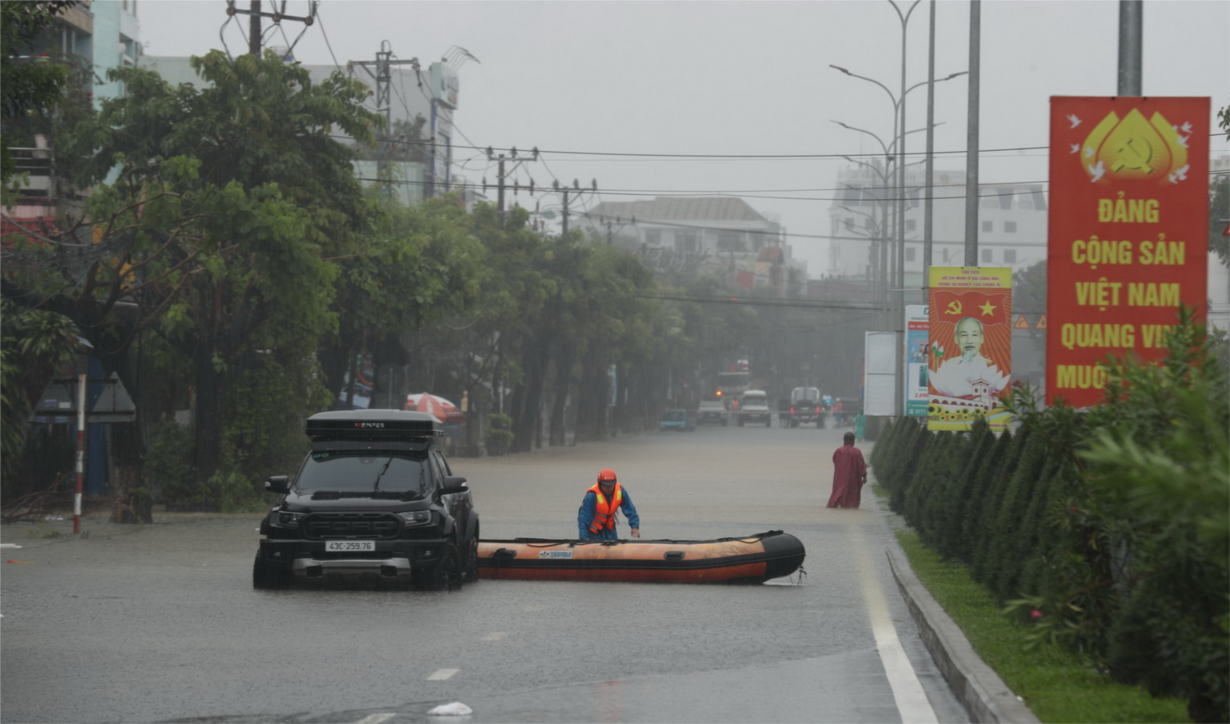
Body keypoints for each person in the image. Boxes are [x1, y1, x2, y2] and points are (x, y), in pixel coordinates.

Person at [929, 316, 1009, 398]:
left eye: (974, 335)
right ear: (956, 338)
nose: (969, 341)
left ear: (981, 338)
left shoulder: (989, 365)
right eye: (964, 335)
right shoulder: (950, 364)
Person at [578, 468, 641, 540]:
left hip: (610, 530)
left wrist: (634, 526)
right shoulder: (592, 495)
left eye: (611, 485)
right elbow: (584, 518)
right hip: (594, 532)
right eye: (606, 486)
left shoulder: (620, 491)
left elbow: (630, 509)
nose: (609, 488)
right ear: (600, 483)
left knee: (615, 550)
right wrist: (584, 538)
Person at [827, 432, 868, 509]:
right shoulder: (857, 452)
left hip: (840, 478)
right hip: (854, 480)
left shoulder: (838, 451)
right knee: (852, 500)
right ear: (853, 441)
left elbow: (835, 461)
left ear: (844, 440)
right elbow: (862, 466)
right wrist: (864, 476)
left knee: (837, 495)